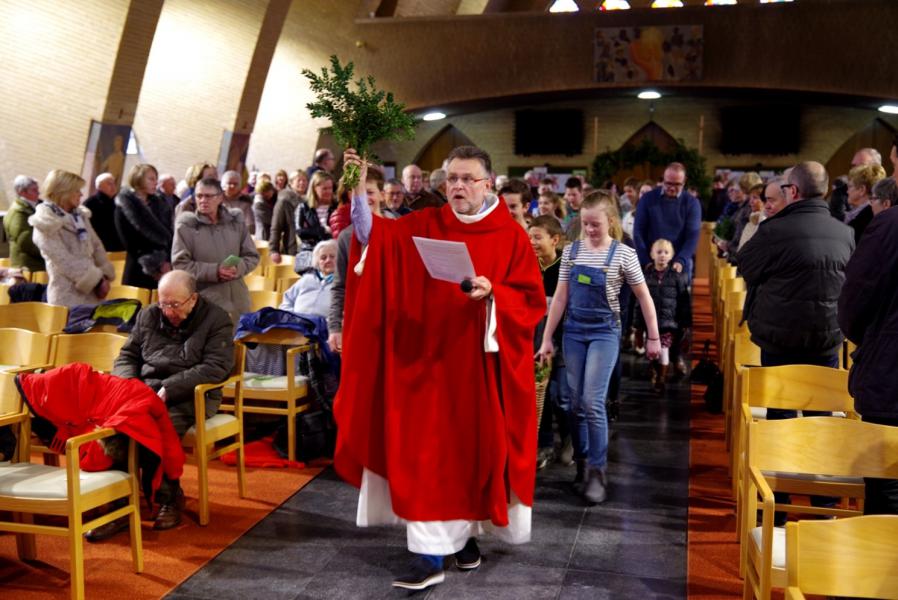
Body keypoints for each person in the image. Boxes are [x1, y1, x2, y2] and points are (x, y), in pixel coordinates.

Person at [335, 145, 545, 591]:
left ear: (488, 184)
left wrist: (494, 294)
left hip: (478, 373)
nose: (458, 186)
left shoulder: (510, 238)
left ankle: (464, 538)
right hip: (427, 368)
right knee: (430, 457)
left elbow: (531, 301)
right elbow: (374, 237)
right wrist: (358, 194)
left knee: (474, 457)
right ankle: (431, 554)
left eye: (468, 179)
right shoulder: (425, 224)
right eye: (451, 178)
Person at [537, 191, 661, 506]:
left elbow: (645, 297)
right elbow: (562, 297)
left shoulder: (623, 255)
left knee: (592, 401)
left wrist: (653, 337)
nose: (590, 230)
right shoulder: (571, 252)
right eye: (585, 224)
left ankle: (597, 471)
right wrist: (547, 338)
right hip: (574, 331)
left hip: (605, 331)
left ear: (610, 222)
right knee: (575, 404)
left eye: (596, 224)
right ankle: (582, 461)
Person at [108, 269, 235, 532]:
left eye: (174, 304)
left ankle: (169, 497)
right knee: (114, 428)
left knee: (157, 427)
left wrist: (168, 388)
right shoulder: (149, 314)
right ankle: (119, 503)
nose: (167, 311)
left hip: (191, 393)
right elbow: (127, 356)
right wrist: (130, 384)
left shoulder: (217, 319)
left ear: (193, 299)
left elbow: (216, 367)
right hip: (145, 391)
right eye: (163, 303)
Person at [838, 191, 898, 515]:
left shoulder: (889, 225)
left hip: (891, 376)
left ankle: (879, 566)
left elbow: (854, 303)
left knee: (887, 488)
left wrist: (872, 341)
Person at [172, 177, 259, 322]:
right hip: (205, 300)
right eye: (199, 196)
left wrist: (237, 268)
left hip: (238, 298)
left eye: (208, 196)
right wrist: (215, 271)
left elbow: (252, 256)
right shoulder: (187, 226)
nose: (203, 200)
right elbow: (180, 265)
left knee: (238, 342)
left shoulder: (235, 222)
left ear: (220, 198)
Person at [30, 169, 115, 307]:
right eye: (77, 190)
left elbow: (96, 245)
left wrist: (104, 273)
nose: (81, 194)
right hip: (66, 295)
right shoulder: (45, 221)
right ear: (64, 191)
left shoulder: (79, 216)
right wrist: (97, 281)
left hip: (93, 292)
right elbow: (63, 260)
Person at [528, 215, 572, 470]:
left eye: (537, 237)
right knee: (539, 391)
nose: (532, 242)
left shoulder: (565, 266)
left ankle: (569, 438)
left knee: (561, 395)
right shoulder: (528, 265)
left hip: (562, 340)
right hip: (535, 341)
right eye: (530, 237)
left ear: (554, 239)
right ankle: (543, 444)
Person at [326, 168, 385, 355]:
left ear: (382, 195)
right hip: (360, 318)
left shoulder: (400, 228)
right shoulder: (346, 236)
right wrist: (335, 327)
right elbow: (339, 285)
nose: (365, 198)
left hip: (393, 320)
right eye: (359, 192)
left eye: (370, 192)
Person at [634, 239, 691, 394]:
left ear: (671, 255)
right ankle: (654, 370)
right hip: (649, 324)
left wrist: (685, 323)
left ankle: (661, 379)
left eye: (666, 252)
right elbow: (639, 303)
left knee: (664, 350)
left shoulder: (677, 277)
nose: (662, 256)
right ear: (652, 255)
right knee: (652, 353)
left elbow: (684, 302)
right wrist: (637, 326)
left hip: (668, 323)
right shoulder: (645, 277)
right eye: (659, 252)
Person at [634, 163, 702, 279]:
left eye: (677, 184)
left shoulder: (692, 203)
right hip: (650, 263)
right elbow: (638, 232)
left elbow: (692, 236)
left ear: (684, 181)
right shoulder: (648, 199)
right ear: (663, 179)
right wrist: (646, 260)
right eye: (668, 183)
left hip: (679, 264)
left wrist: (681, 260)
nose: (671, 188)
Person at [115, 163, 174, 289]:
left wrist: (166, 262)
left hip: (164, 268)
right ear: (138, 179)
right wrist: (155, 264)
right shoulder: (125, 205)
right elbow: (129, 242)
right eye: (151, 179)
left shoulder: (159, 204)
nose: (156, 183)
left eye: (156, 179)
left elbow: (169, 235)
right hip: (138, 267)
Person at [279, 239, 337, 317]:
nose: (328, 260)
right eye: (323, 258)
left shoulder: (342, 284)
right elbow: (287, 300)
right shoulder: (306, 279)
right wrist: (291, 317)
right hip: (295, 324)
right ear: (317, 261)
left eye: (332, 257)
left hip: (321, 327)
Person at [5, 175, 45, 272]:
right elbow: (26, 241)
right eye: (34, 190)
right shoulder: (18, 212)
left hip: (37, 265)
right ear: (21, 192)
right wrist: (50, 253)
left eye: (37, 189)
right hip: (28, 267)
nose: (38, 192)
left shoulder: (38, 207)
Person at [268, 170, 307, 262]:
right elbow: (276, 227)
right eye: (299, 180)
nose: (302, 183)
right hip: (291, 247)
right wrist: (273, 250)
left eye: (304, 180)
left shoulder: (307, 202)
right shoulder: (284, 201)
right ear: (291, 183)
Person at [844, 163, 886, 243]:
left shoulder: (867, 218)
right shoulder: (861, 214)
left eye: (850, 186)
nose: (847, 191)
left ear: (862, 190)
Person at [84, 173, 125, 252]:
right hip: (100, 248)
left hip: (118, 248)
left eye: (114, 183)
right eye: (109, 184)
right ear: (99, 186)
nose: (113, 186)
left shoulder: (118, 202)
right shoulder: (91, 203)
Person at [221, 170, 255, 237]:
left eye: (235, 184)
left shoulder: (245, 201)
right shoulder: (216, 199)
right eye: (229, 183)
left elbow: (249, 225)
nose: (232, 186)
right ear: (223, 185)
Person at [736, 182, 767, 250]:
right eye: (750, 198)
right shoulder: (752, 218)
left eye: (755, 198)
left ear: (765, 200)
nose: (751, 202)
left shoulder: (764, 221)